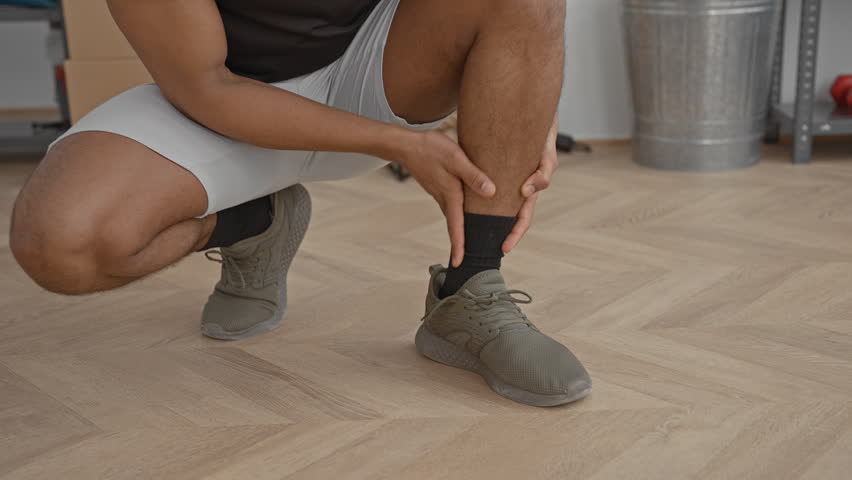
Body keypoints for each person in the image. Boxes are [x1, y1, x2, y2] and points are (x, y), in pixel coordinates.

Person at [10, 0, 591, 407]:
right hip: (220, 109)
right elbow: (208, 87)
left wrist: (528, 101)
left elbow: (514, 20)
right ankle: (252, 223)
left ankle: (472, 292)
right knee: (59, 243)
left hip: (375, 78)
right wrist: (399, 145)